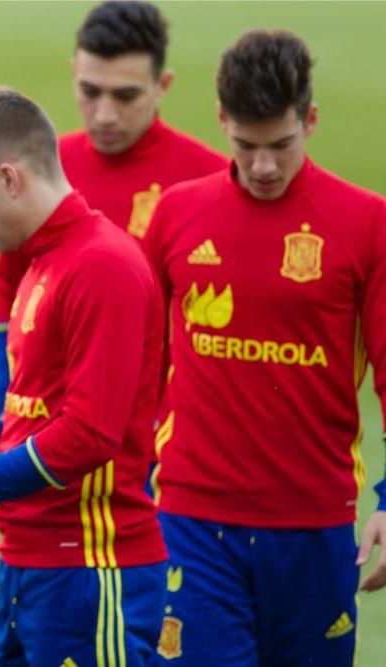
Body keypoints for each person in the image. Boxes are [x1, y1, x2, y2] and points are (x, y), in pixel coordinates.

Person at [143, 29, 386, 666]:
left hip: (315, 527)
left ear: (309, 119)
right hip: (194, 520)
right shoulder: (176, 215)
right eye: (245, 146)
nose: (264, 167)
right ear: (221, 118)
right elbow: (137, 362)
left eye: (281, 145)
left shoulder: (366, 222)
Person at [0, 87, 167, 666]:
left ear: (10, 178)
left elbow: (92, 433)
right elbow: (44, 403)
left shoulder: (100, 264)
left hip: (90, 570)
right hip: (34, 562)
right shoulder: (45, 261)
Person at [0, 1, 225, 417]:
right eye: (90, 91)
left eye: (126, 95)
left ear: (162, 84)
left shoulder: (209, 180)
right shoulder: (44, 168)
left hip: (157, 445)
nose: (105, 114)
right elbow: (10, 286)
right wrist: (4, 401)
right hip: (47, 433)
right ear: (73, 74)